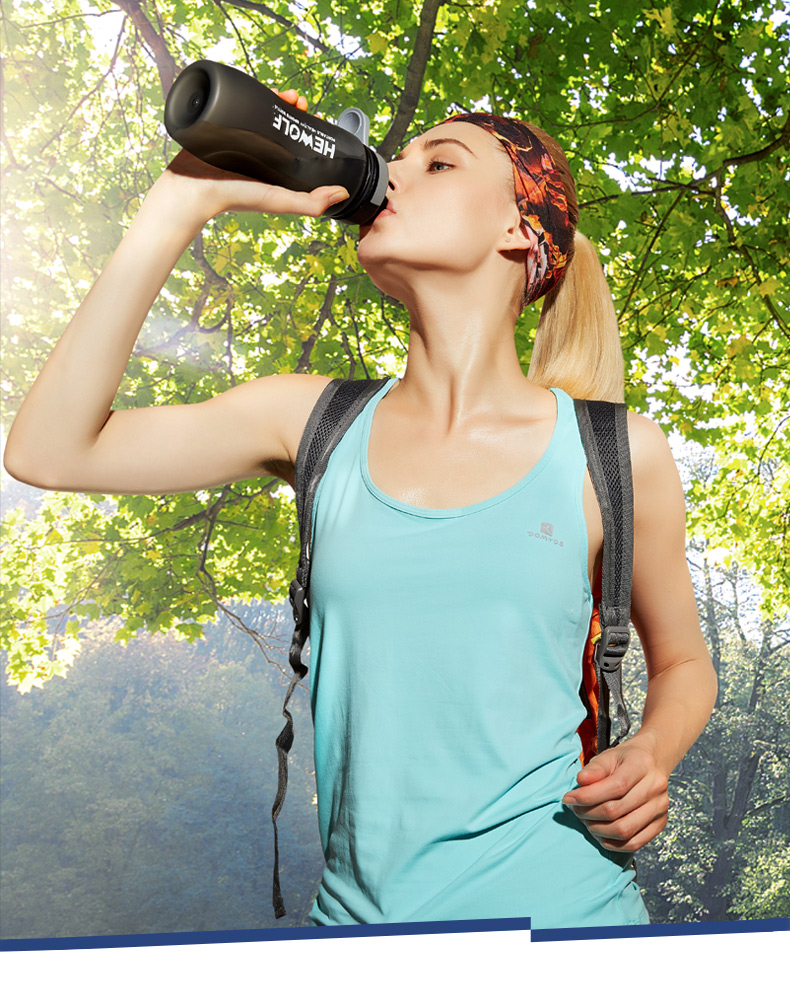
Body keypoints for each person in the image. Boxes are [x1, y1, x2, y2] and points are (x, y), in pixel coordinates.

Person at [3, 88, 718, 929]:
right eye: (398, 157)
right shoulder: (309, 420)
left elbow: (684, 665)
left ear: (518, 229)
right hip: (356, 936)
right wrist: (178, 202)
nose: (394, 171)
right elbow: (48, 451)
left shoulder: (616, 451)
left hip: (565, 925)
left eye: (439, 161)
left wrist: (651, 752)